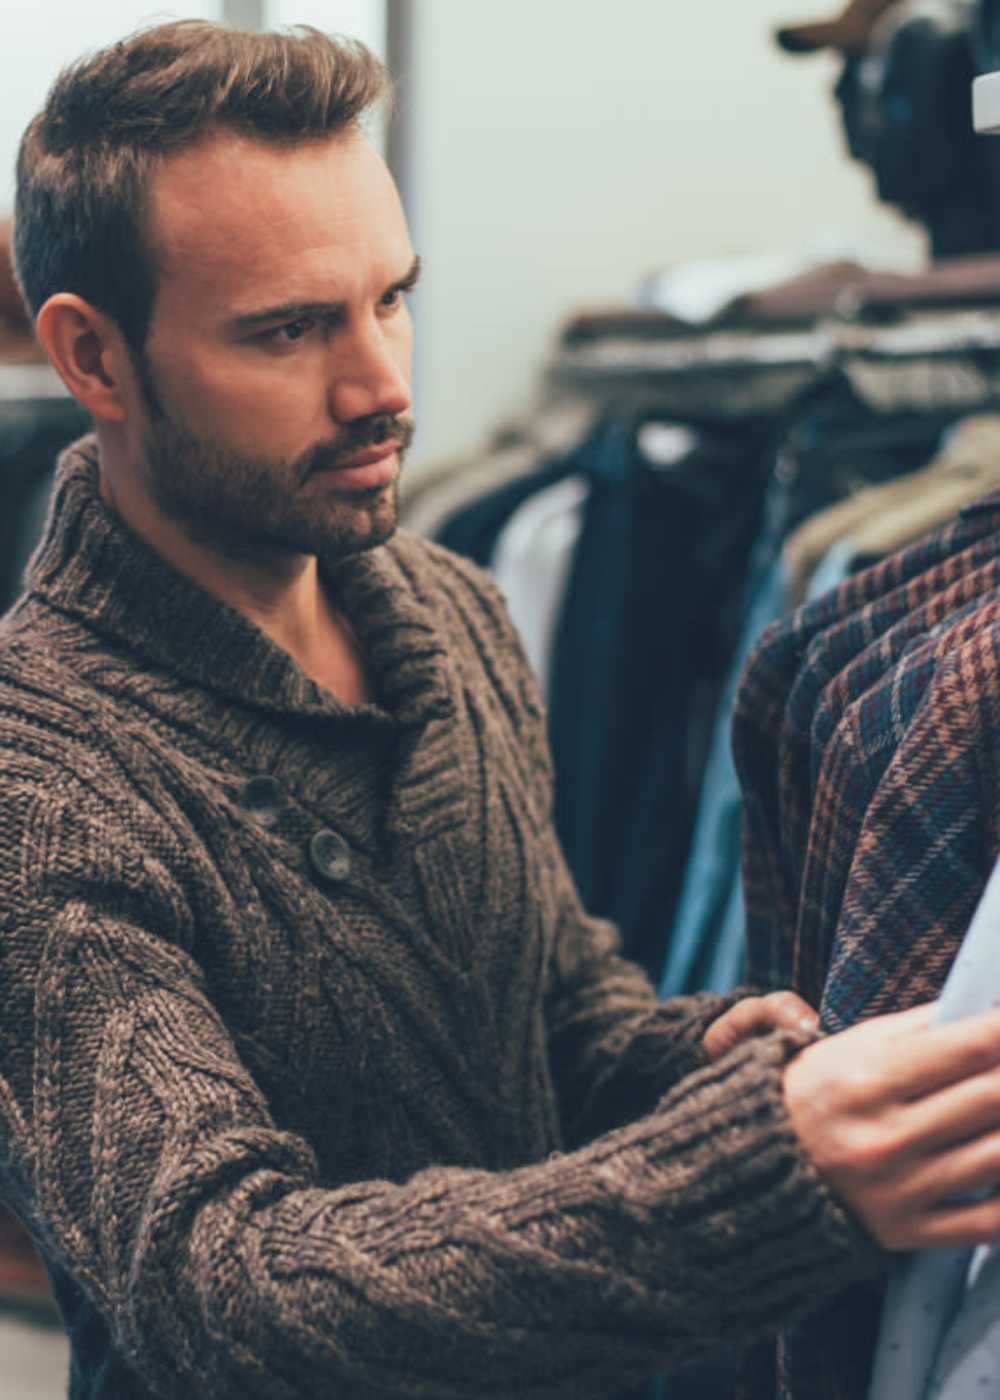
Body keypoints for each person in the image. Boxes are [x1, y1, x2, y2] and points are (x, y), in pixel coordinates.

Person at [5, 20, 1000, 1400]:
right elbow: (221, 1286)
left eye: (391, 299)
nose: (382, 386)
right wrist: (764, 1176)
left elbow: (552, 1018)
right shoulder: (40, 778)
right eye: (288, 329)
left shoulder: (447, 612)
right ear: (95, 358)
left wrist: (704, 1059)